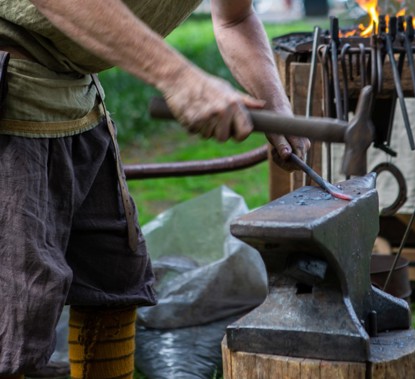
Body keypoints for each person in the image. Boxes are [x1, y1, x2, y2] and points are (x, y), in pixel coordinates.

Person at [0, 1, 310, 378]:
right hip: (10, 86)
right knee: (17, 316)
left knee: (113, 279)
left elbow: (235, 18)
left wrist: (276, 104)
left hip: (75, 93)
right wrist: (177, 77)